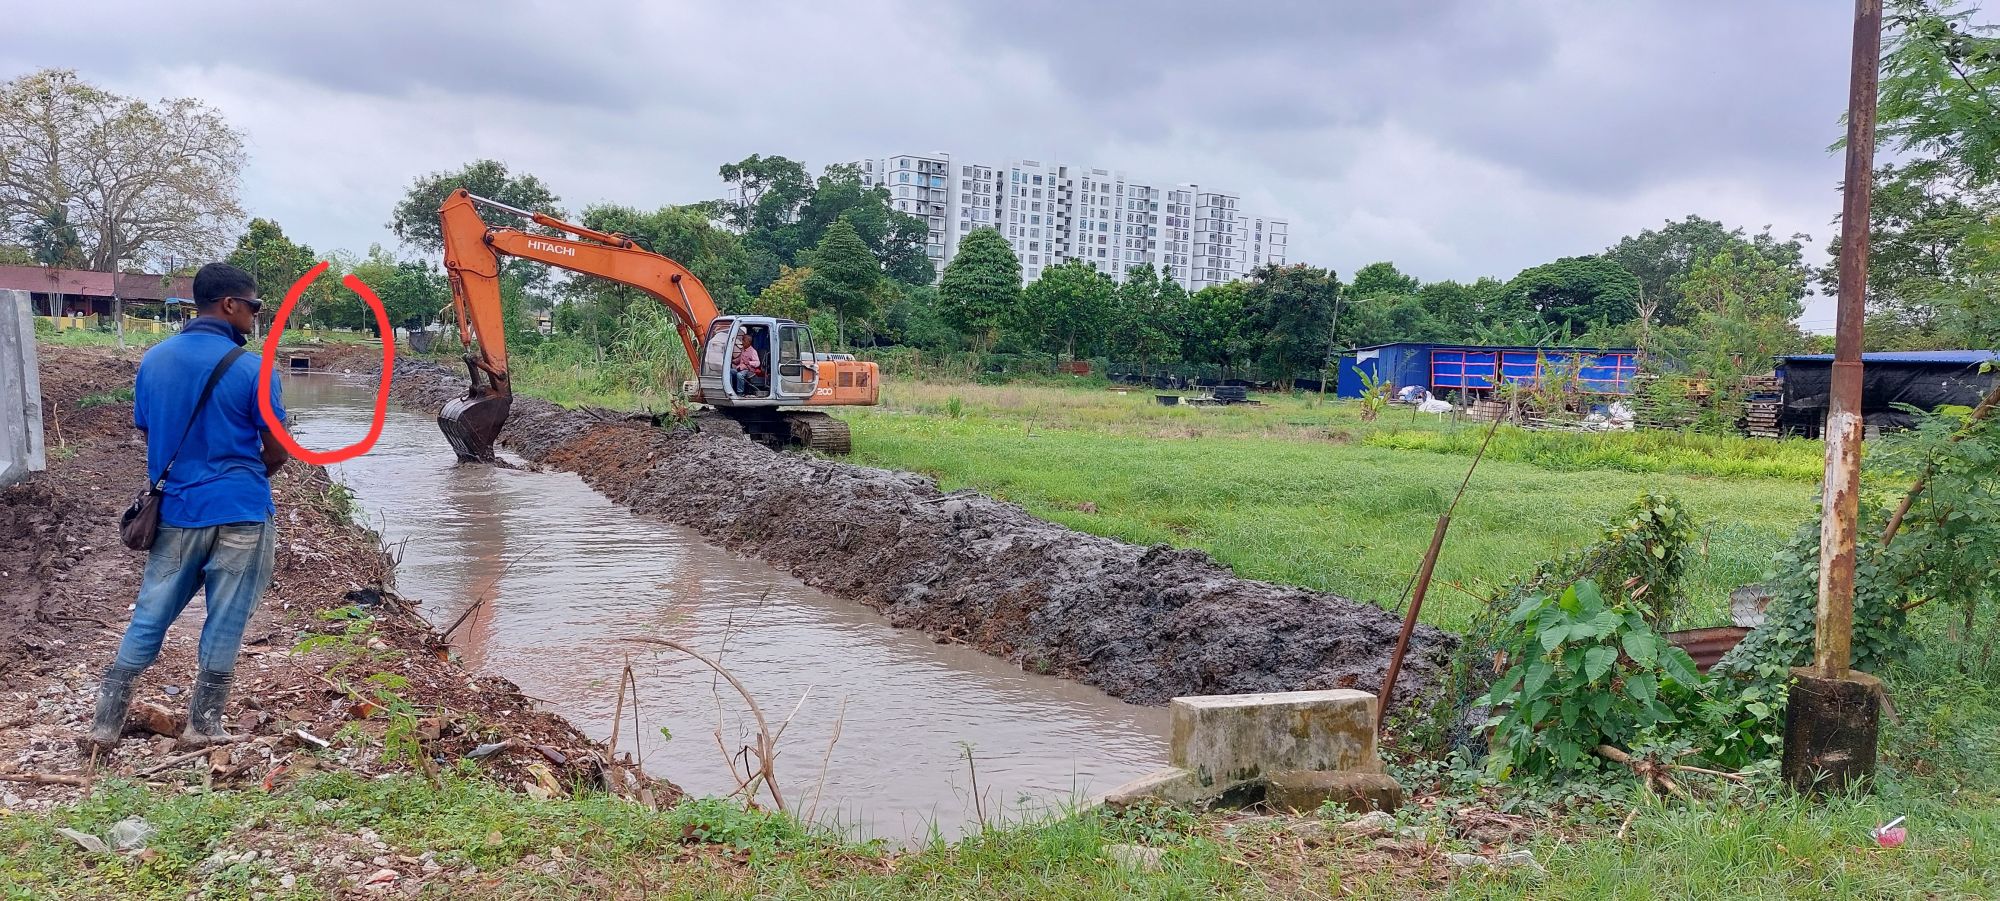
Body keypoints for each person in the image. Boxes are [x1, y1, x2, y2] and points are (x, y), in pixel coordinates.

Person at [84, 263, 290, 755]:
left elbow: (150, 431)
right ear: (229, 306)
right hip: (240, 510)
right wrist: (240, 475)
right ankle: (203, 725)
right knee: (226, 615)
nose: (257, 317)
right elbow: (278, 449)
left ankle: (104, 724)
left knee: (151, 612)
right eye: (255, 306)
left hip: (176, 509)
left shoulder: (154, 361)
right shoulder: (253, 369)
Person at [730, 330, 761, 397]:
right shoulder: (743, 350)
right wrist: (732, 361)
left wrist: (749, 362)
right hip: (740, 368)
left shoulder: (753, 351)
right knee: (730, 371)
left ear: (749, 342)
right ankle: (731, 389)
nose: (742, 342)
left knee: (739, 375)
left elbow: (757, 363)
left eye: (744, 341)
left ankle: (740, 393)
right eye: (742, 340)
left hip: (749, 370)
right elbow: (739, 359)